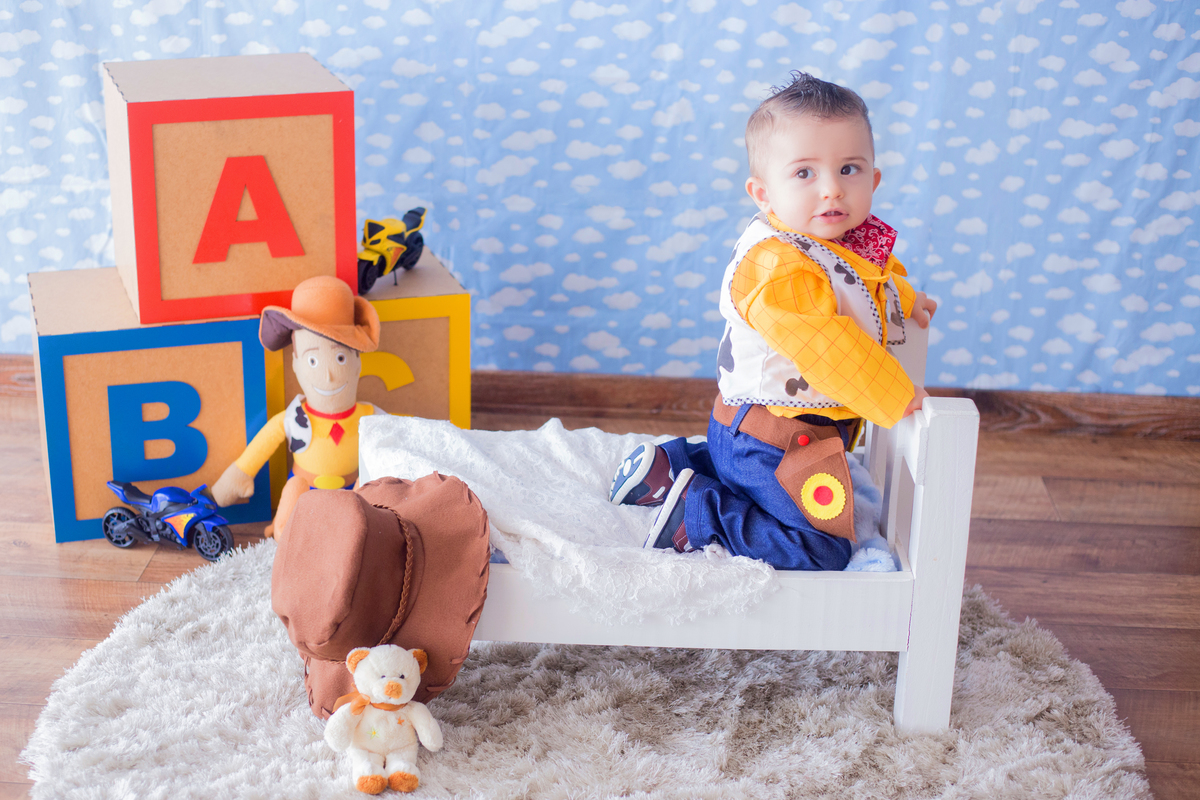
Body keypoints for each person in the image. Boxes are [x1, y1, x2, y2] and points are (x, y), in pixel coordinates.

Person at [609, 71, 937, 570]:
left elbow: (863, 282)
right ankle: (698, 512)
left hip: (764, 432)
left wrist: (905, 300)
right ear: (763, 193)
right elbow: (828, 345)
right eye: (805, 173)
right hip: (771, 441)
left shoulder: (835, 239)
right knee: (822, 548)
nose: (832, 189)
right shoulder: (779, 266)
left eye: (848, 169)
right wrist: (896, 395)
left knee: (751, 477)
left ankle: (671, 465)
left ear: (874, 179)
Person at [210, 276, 387, 543]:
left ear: (357, 362)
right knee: (293, 491)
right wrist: (237, 477)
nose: (328, 376)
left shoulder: (369, 416)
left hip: (352, 491)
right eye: (312, 360)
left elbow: (404, 434)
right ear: (295, 364)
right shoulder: (292, 418)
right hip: (306, 491)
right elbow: (260, 447)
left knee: (368, 495)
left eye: (340, 358)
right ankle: (288, 534)